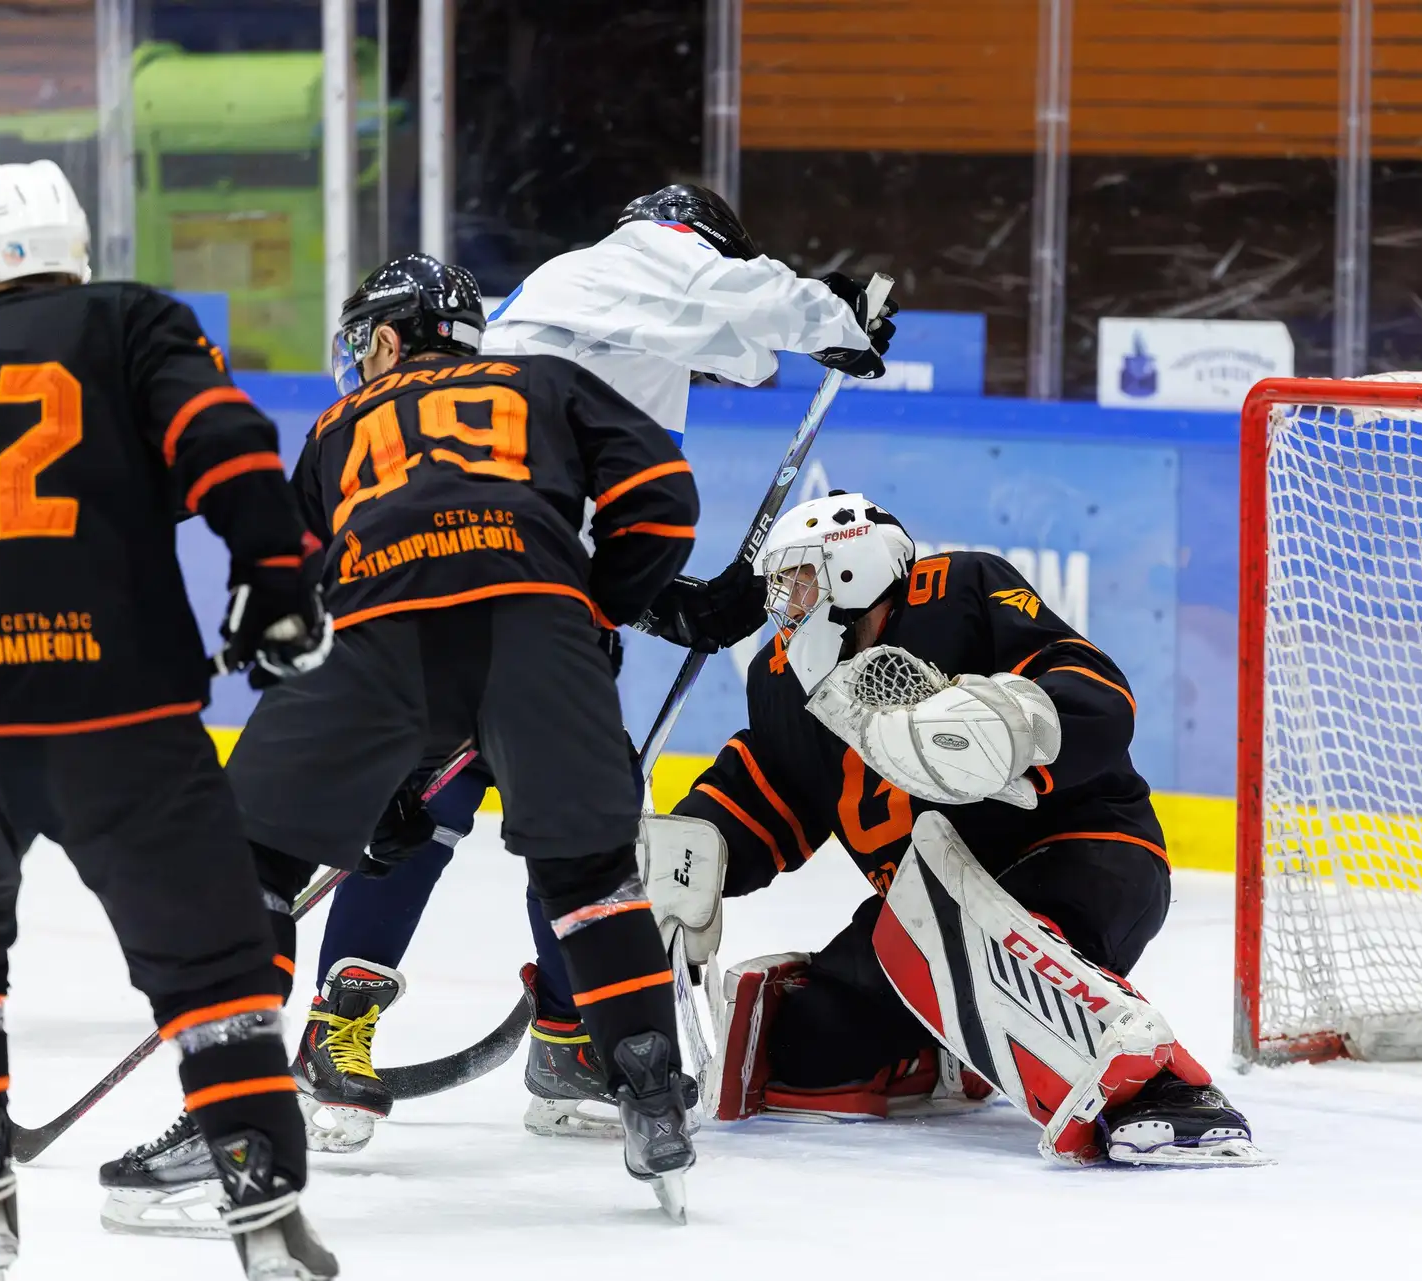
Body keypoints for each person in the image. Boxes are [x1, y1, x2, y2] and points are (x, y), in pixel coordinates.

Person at [270, 182, 896, 1149]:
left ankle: (561, 1042)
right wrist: (834, 316)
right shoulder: (633, 259)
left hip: (520, 600)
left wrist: (660, 599)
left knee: (554, 824)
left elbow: (735, 351)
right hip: (488, 601)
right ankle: (350, 1031)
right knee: (485, 819)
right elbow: (740, 303)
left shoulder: (616, 325)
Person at [103, 250, 705, 1225]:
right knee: (590, 876)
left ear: (387, 338)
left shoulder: (338, 425)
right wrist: (594, 604)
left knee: (248, 860)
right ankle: (652, 1098)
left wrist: (372, 773)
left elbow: (303, 586)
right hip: (538, 623)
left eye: (362, 342)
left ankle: (232, 1120)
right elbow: (664, 496)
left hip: (378, 623)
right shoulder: (544, 381)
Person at [0, 160, 338, 1279]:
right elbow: (225, 439)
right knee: (214, 967)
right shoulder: (127, 320)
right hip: (119, 704)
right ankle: (264, 1207)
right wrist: (274, 574)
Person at [650, 491, 1269, 1167]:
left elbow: (1097, 691)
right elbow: (767, 793)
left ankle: (1169, 1091)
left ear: (852, 568)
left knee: (972, 940)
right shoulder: (780, 681)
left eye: (799, 581)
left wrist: (1014, 728)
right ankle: (947, 1055)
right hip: (923, 919)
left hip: (1083, 854)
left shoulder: (961, 589)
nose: (787, 604)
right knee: (805, 1045)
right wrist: (686, 853)